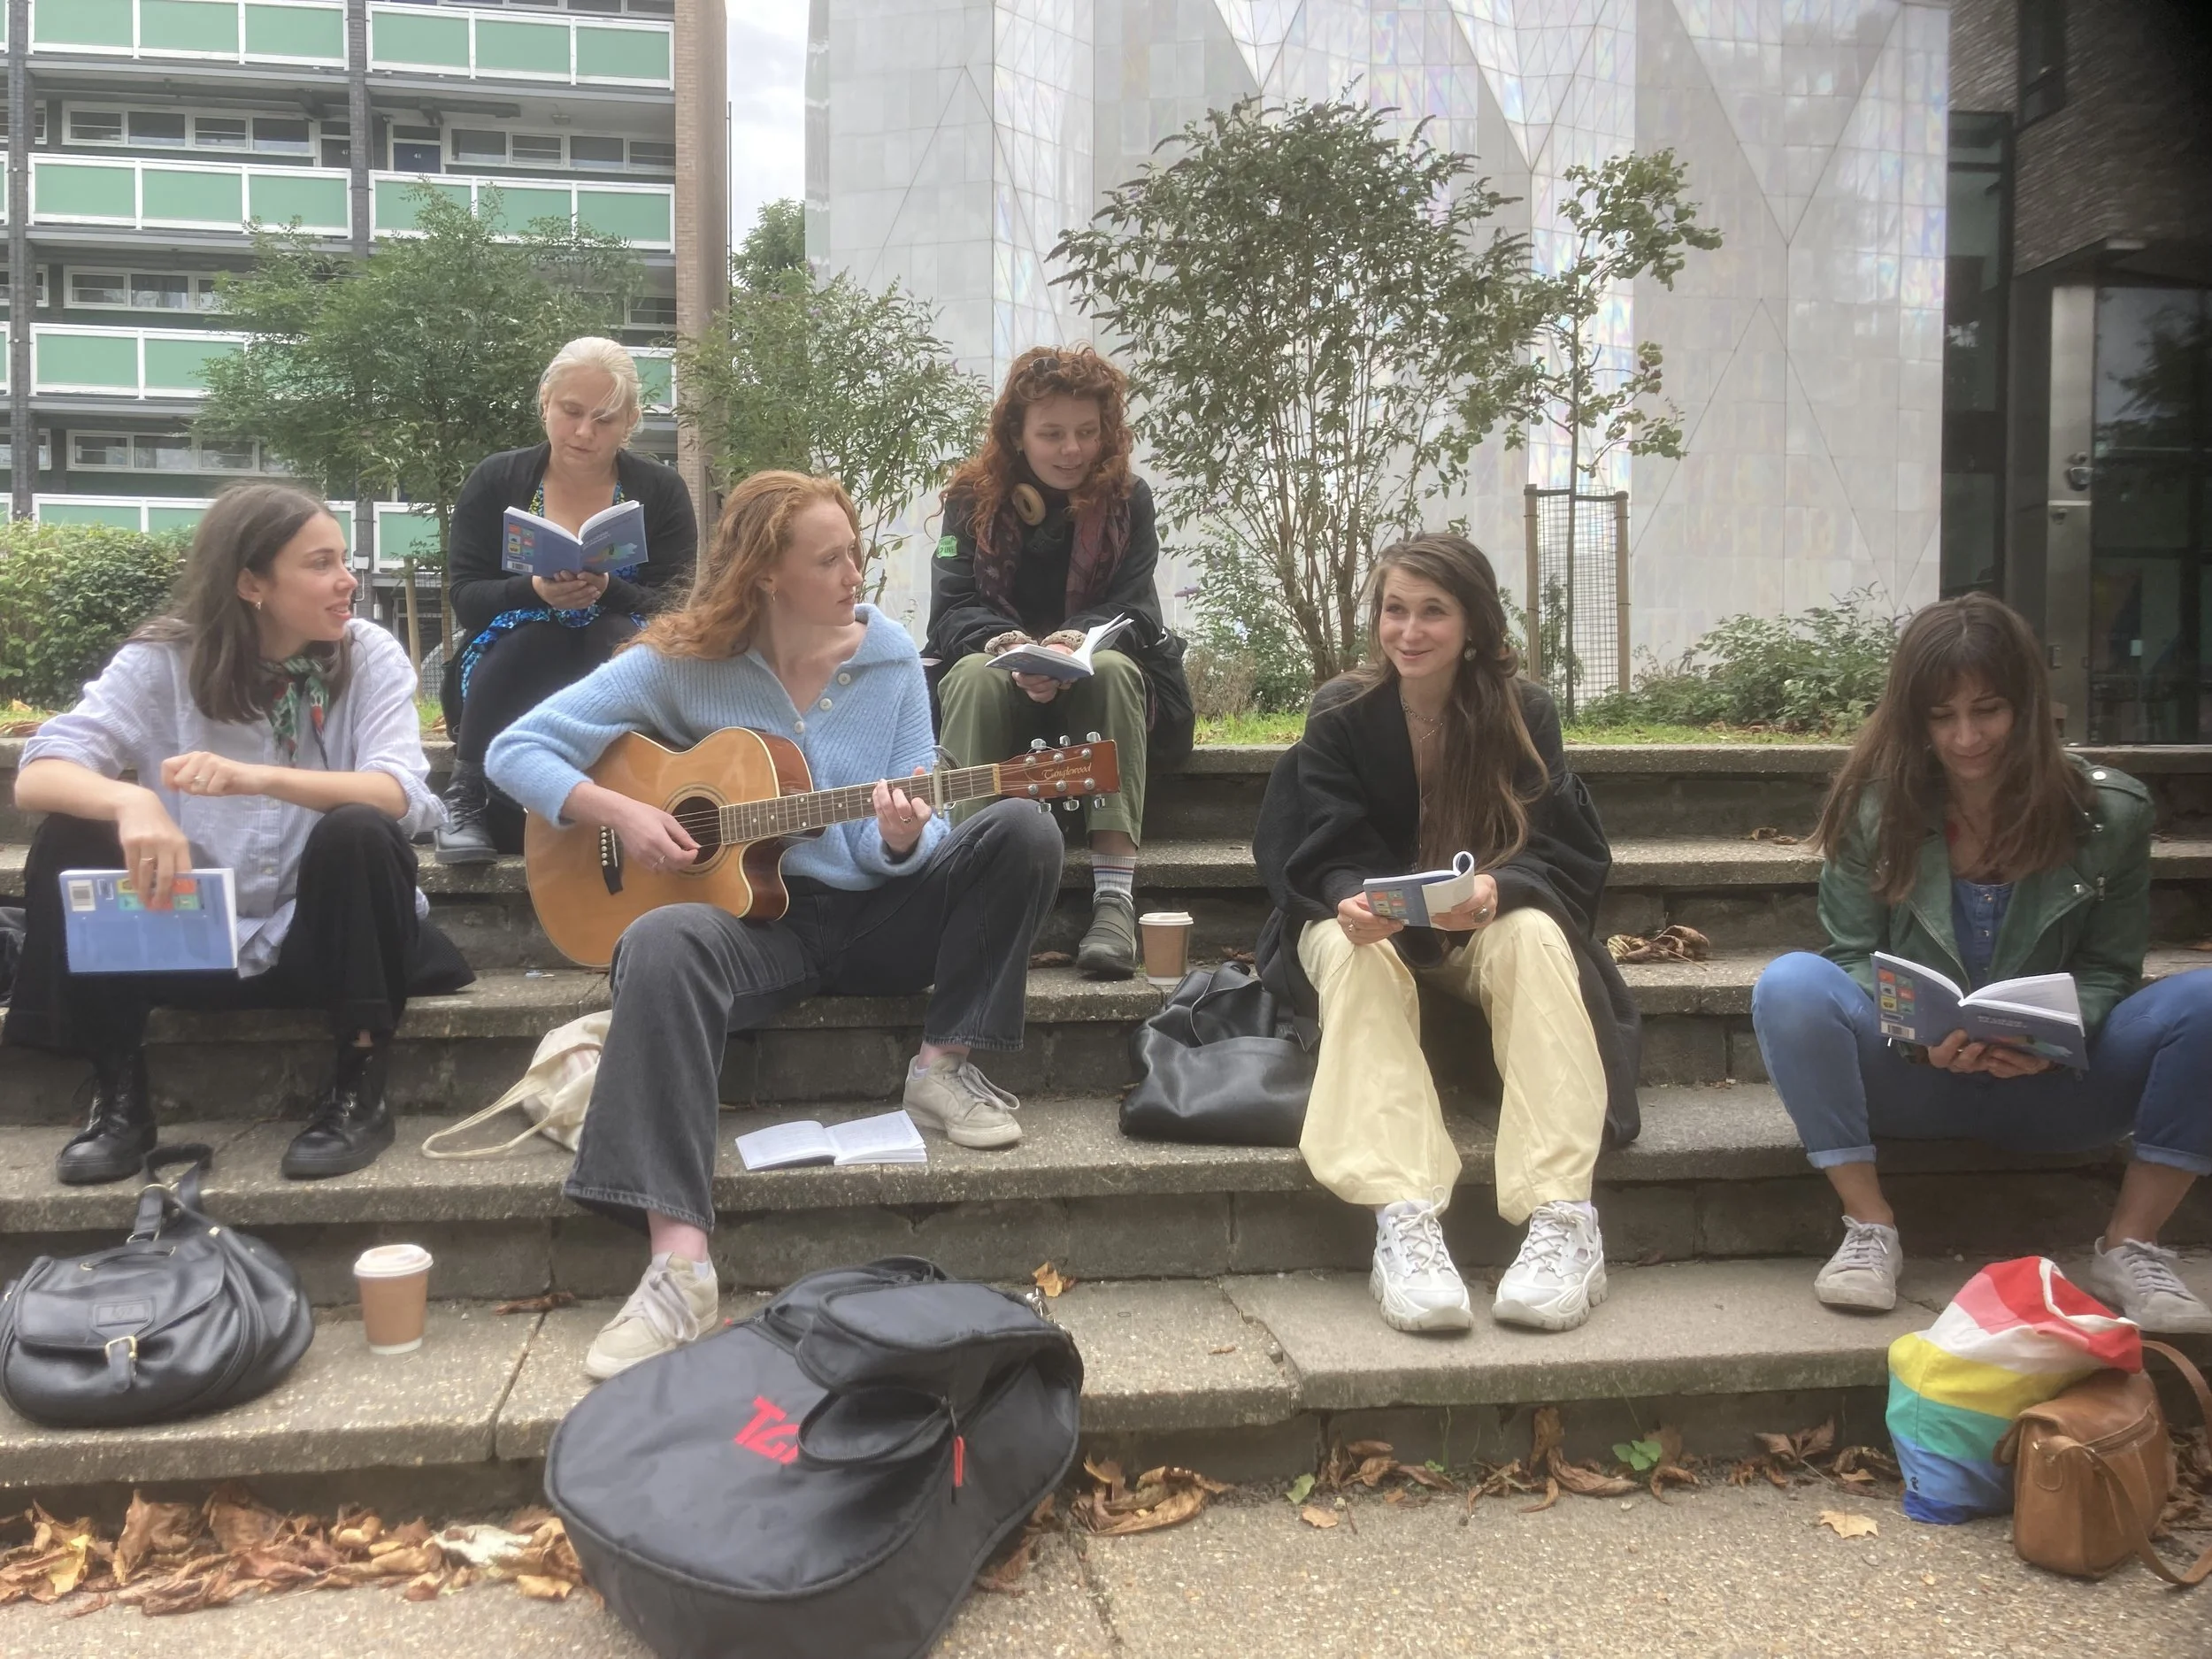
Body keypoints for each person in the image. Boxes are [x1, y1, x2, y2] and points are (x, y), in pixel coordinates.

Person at [488, 471, 1064, 1379]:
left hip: (878, 919)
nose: (852, 575)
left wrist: (900, 838)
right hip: (757, 931)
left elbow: (926, 817)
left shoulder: (889, 659)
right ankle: (679, 1266)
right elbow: (513, 748)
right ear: (765, 573)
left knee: (1022, 829)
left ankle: (944, 1067)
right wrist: (624, 814)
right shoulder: (681, 660)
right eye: (828, 559)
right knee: (656, 941)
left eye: (855, 554)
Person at [1751, 593, 2212, 1333]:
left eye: (1988, 709)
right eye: (1941, 716)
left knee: (2207, 1001)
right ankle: (1870, 1228)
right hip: (1912, 1079)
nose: (1966, 738)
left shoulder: (2109, 813)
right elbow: (1848, 958)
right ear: (1913, 718)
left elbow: (2109, 970)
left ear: (2028, 705)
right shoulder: (1875, 809)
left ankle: (2133, 1243)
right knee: (1791, 983)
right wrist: (1915, 1031)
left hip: (2058, 1086)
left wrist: (2057, 1036)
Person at [5, 483, 474, 1185]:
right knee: (76, 831)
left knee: (360, 829)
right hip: (192, 934)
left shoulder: (367, 653)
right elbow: (38, 773)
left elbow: (401, 793)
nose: (348, 580)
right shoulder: (164, 658)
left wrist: (258, 777)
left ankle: (359, 1086)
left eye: (343, 560)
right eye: (321, 564)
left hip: (324, 943)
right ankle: (120, 1098)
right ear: (251, 582)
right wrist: (134, 804)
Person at [1252, 535, 1641, 1336]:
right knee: (1353, 955)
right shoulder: (1342, 712)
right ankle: (1405, 1215)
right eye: (1396, 609)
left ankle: (1564, 1216)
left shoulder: (1522, 712)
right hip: (1364, 923)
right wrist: (1347, 898)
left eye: (1434, 611)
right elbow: (1312, 845)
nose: (1410, 631)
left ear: (1473, 623)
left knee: (1536, 935)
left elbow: (1561, 849)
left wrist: (1504, 886)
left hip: (1480, 929)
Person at [926, 345, 1193, 980]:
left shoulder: (1131, 501)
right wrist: (1010, 648)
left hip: (1094, 684)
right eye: (1051, 433)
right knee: (966, 677)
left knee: (1119, 671)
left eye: (1085, 431)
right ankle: (969, 882)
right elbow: (951, 609)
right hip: (999, 673)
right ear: (1016, 434)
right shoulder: (969, 499)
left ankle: (1112, 900)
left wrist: (1073, 645)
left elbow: (1135, 609)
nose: (1071, 449)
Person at [435, 336, 699, 863]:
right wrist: (533, 591)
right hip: (511, 662)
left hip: (615, 650)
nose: (583, 432)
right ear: (545, 403)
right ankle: (467, 797)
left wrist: (608, 589)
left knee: (615, 635)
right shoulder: (497, 479)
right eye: (571, 412)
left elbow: (677, 609)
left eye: (604, 419)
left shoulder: (662, 491)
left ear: (629, 422)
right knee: (534, 632)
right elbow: (466, 597)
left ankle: (639, 796)